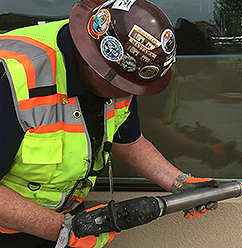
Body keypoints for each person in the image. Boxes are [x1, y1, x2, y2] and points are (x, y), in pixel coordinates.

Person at [0, 0, 219, 247]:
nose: (127, 93)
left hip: (61, 220)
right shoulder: (13, 77)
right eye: (122, 85)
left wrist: (180, 183)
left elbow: (127, 140)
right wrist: (65, 231)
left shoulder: (122, 68)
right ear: (95, 63)